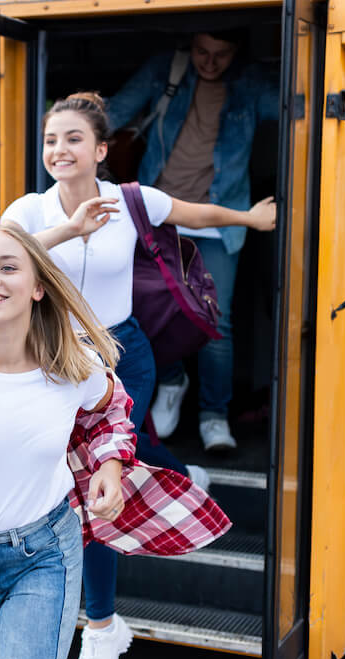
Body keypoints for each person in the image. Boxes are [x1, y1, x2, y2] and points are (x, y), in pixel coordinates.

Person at [0, 222, 231, 659]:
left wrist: (111, 467)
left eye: (7, 267)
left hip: (44, 554)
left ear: (38, 287)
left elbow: (112, 410)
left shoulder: (70, 366)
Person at [0, 92, 274, 659]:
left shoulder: (129, 200)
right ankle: (182, 474)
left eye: (74, 139)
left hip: (124, 358)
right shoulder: (30, 211)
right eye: (51, 140)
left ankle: (100, 630)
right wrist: (69, 231)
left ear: (101, 150)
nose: (59, 149)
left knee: (97, 485)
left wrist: (248, 218)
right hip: (58, 366)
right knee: (117, 462)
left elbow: (193, 214)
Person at [107, 30, 279, 451]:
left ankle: (214, 416)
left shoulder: (251, 84)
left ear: (237, 53)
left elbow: (304, 109)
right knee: (146, 315)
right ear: (190, 46)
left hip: (219, 221)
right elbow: (110, 116)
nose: (210, 62)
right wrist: (63, 124)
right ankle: (170, 381)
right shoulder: (166, 69)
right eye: (202, 51)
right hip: (158, 217)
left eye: (221, 54)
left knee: (216, 323)